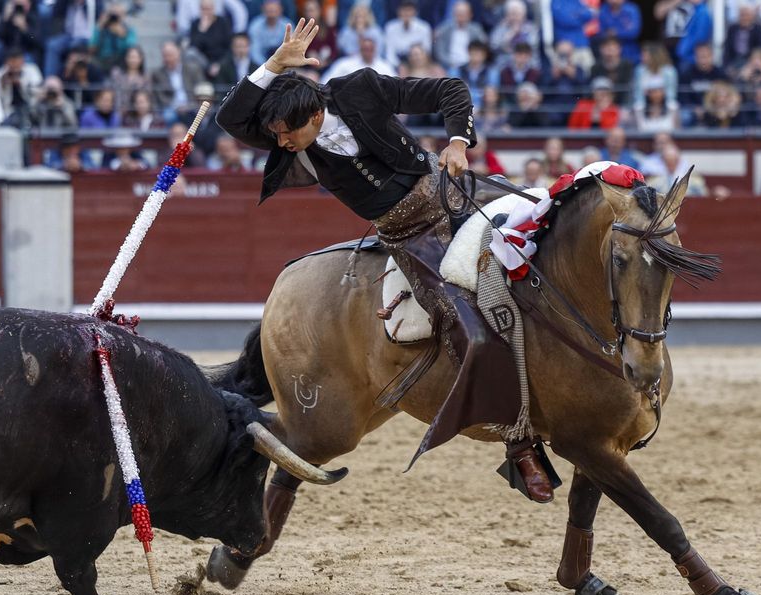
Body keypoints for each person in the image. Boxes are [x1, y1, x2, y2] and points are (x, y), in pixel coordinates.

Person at [215, 18, 555, 503]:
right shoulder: (288, 133)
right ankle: (521, 444)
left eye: (287, 135)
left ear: (312, 116)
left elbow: (450, 90)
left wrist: (458, 141)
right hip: (408, 236)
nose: (281, 145)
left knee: (546, 246)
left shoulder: (359, 89)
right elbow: (230, 120)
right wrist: (272, 65)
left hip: (453, 195)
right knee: (463, 324)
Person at [151, 41, 207, 119]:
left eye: (170, 55)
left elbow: (201, 89)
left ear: (178, 52)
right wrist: (176, 107)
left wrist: (190, 105)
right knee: (168, 116)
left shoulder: (193, 69)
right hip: (171, 108)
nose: (168, 58)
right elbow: (160, 96)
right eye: (165, 56)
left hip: (192, 105)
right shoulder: (158, 74)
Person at [433, 1, 488, 69]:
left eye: (464, 14)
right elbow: (440, 51)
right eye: (458, 13)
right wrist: (450, 63)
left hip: (471, 65)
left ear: (470, 15)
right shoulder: (444, 29)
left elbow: (482, 47)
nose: (461, 16)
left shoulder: (476, 29)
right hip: (449, 65)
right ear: (454, 14)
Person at [323, 34, 394, 81]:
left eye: (370, 49)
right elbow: (326, 80)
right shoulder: (344, 64)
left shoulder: (385, 67)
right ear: (360, 49)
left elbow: (395, 87)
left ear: (375, 50)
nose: (367, 52)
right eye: (365, 49)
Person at [383, 1, 432, 66]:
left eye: (409, 10)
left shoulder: (424, 28)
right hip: (397, 65)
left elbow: (426, 52)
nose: (406, 13)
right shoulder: (390, 27)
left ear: (415, 12)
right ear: (398, 12)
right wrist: (400, 66)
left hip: (417, 64)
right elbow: (390, 54)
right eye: (403, 10)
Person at [190, 0, 235, 68]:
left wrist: (219, 64)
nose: (206, 12)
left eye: (208, 9)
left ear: (213, 9)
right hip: (204, 62)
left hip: (221, 59)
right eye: (203, 9)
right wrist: (202, 30)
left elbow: (229, 46)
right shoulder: (196, 23)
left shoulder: (223, 22)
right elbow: (194, 48)